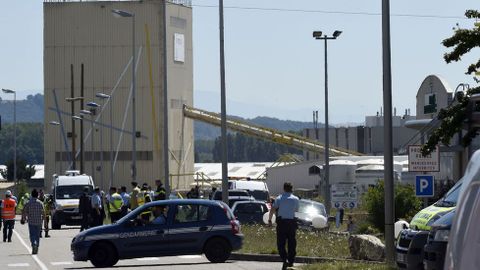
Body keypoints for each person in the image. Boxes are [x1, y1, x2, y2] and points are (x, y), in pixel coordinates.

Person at [268, 182, 299, 270]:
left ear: (284, 189)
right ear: (291, 189)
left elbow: (272, 210)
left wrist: (270, 220)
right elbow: (296, 209)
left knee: (281, 243)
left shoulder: (279, 198)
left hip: (282, 223)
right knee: (292, 243)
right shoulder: (295, 199)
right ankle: (291, 260)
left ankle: (284, 259)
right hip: (292, 222)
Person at [21, 189, 45, 254]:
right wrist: (45, 221)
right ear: (37, 195)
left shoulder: (28, 203)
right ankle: (36, 245)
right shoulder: (40, 203)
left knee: (32, 235)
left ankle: (33, 244)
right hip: (38, 222)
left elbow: (24, 211)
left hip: (31, 222)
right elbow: (43, 213)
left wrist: (23, 219)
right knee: (37, 235)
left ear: (31, 195)